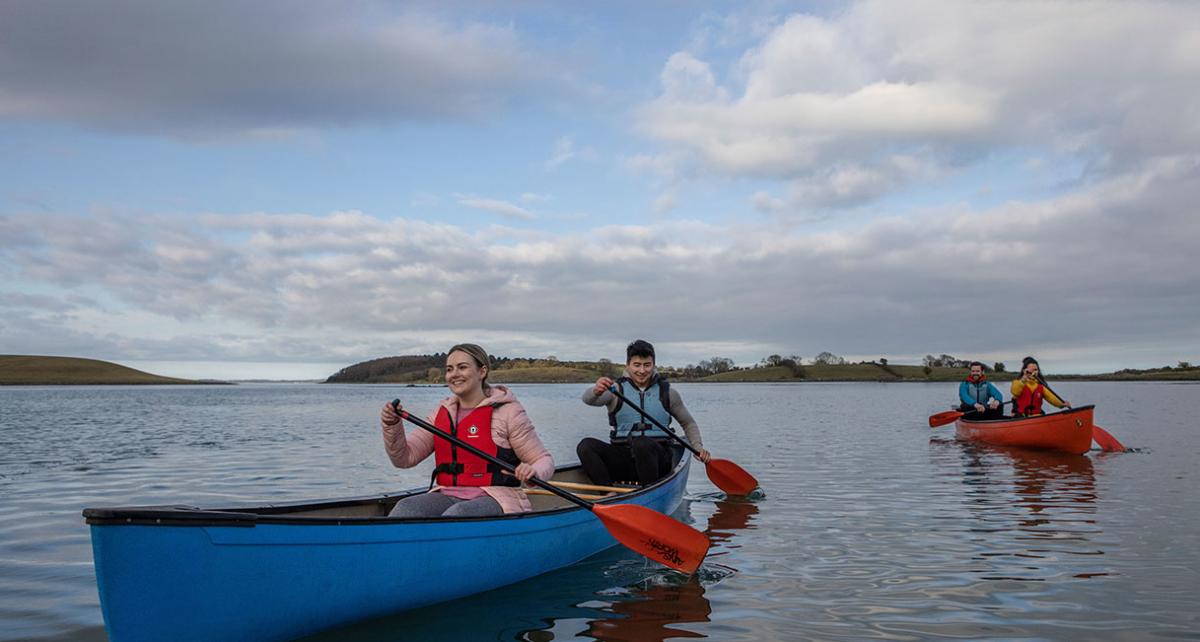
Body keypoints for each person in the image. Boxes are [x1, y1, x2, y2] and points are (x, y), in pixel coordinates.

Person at [381, 343, 554, 517]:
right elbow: (404, 459)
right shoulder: (440, 413)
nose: (454, 374)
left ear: (482, 371)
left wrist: (534, 471)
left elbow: (543, 459)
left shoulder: (508, 412)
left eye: (462, 367)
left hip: (497, 497)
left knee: (457, 515)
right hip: (448, 494)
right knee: (406, 508)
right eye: (449, 369)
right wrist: (392, 425)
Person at [577, 339, 710, 487]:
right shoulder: (615, 390)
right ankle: (608, 492)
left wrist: (697, 447)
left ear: (653, 365)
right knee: (585, 446)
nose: (642, 371)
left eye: (647, 365)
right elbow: (589, 400)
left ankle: (650, 491)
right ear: (628, 365)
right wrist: (596, 391)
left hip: (658, 460)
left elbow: (688, 423)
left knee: (642, 444)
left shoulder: (668, 393)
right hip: (624, 457)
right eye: (637, 365)